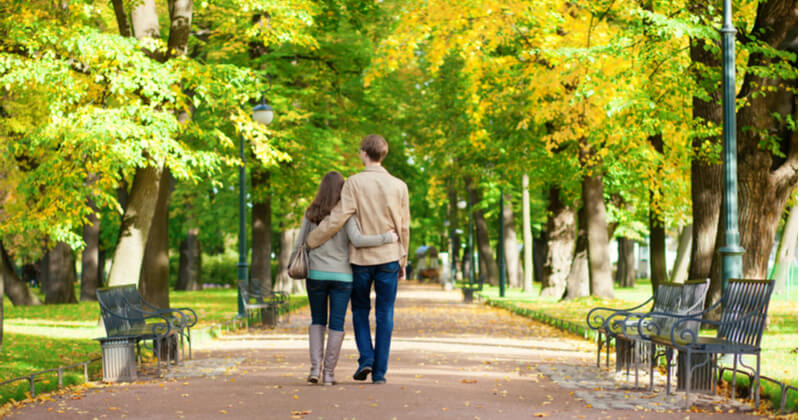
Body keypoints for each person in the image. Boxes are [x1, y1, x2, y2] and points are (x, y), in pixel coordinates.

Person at [306, 134, 410, 384]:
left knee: (361, 310)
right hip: (389, 257)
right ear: (382, 154)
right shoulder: (399, 186)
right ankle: (380, 373)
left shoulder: (353, 183)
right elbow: (404, 226)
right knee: (385, 313)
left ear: (364, 153)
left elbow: (339, 217)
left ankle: (366, 358)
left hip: (361, 260)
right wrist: (403, 259)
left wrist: (312, 240)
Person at [293, 171, 398, 386]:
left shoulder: (310, 213)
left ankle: (314, 368)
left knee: (317, 320)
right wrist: (386, 238)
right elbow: (358, 240)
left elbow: (300, 243)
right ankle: (329, 374)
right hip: (342, 276)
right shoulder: (346, 214)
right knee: (337, 324)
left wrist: (292, 263)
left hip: (316, 274)